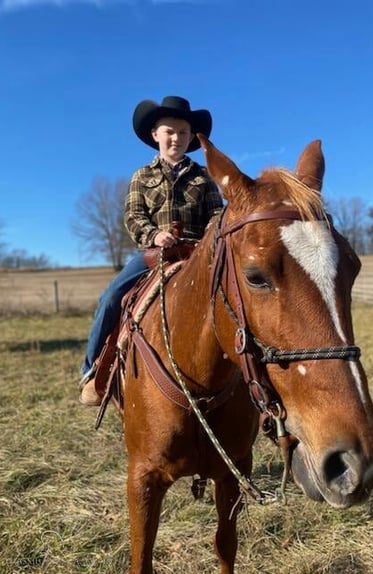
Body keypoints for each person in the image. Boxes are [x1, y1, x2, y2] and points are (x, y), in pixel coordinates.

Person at [79, 96, 224, 406]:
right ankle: (92, 370)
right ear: (155, 135)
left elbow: (216, 216)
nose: (176, 138)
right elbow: (133, 216)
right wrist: (154, 235)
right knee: (110, 298)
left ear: (191, 137)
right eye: (169, 132)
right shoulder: (141, 177)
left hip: (199, 254)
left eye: (183, 133)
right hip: (152, 255)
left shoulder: (204, 178)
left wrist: (207, 241)